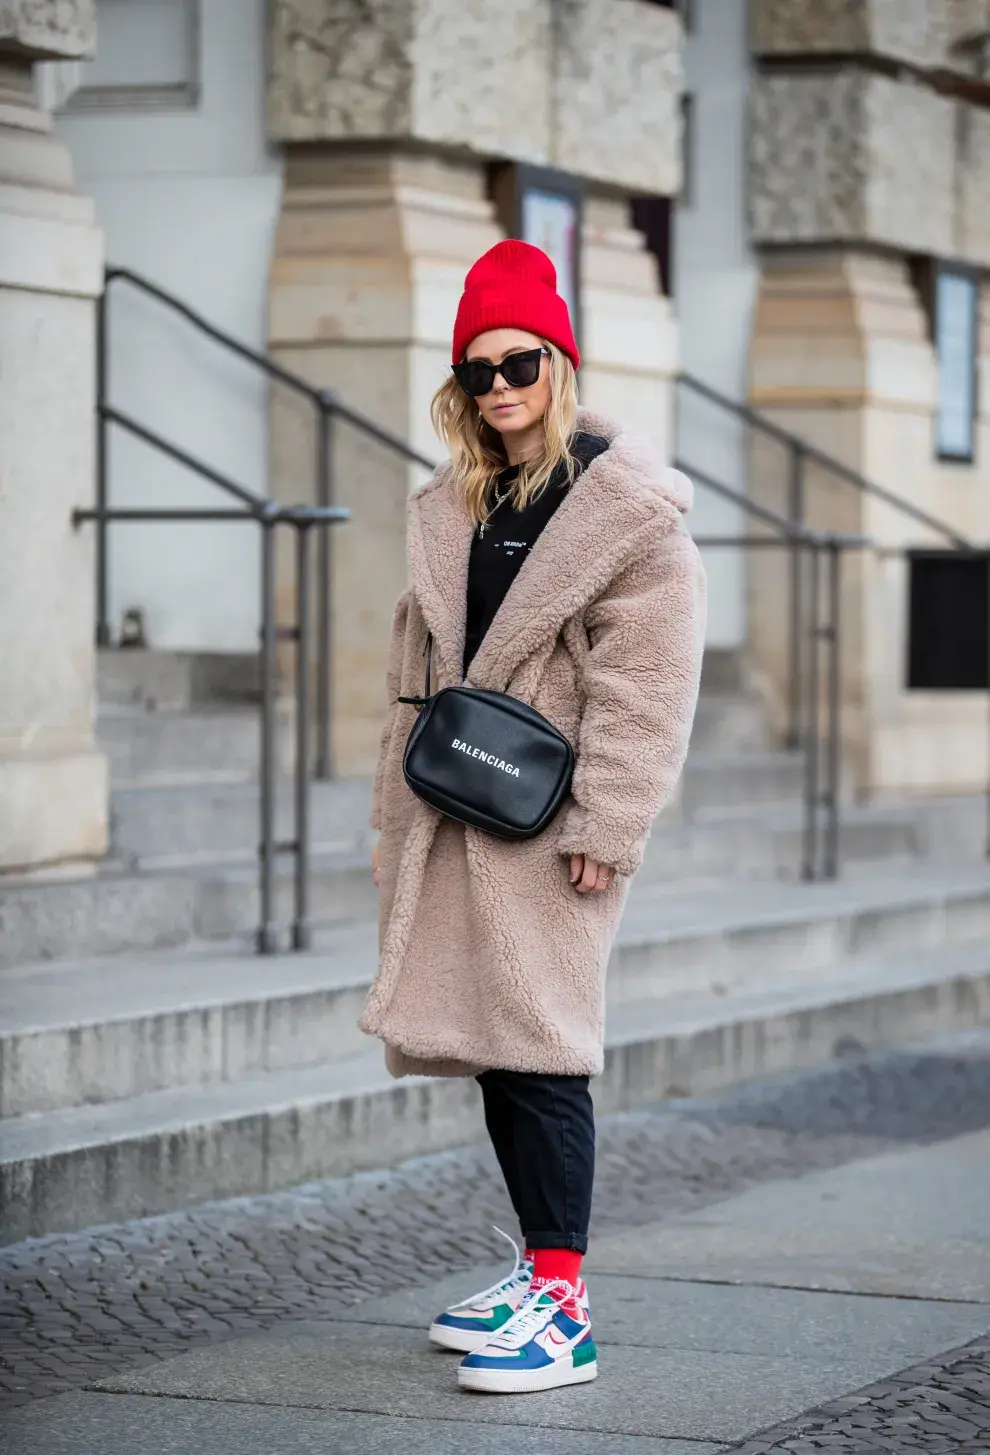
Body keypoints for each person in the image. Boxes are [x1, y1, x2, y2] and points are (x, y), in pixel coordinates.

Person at [361, 239, 706, 1394]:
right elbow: (420, 660)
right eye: (477, 372)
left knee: (547, 1055)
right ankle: (536, 1270)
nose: (500, 387)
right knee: (500, 1056)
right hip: (459, 802)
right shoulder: (467, 497)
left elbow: (649, 683)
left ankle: (565, 1307)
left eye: (519, 362)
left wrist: (609, 825)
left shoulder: (625, 512)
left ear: (560, 359)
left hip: (552, 820)